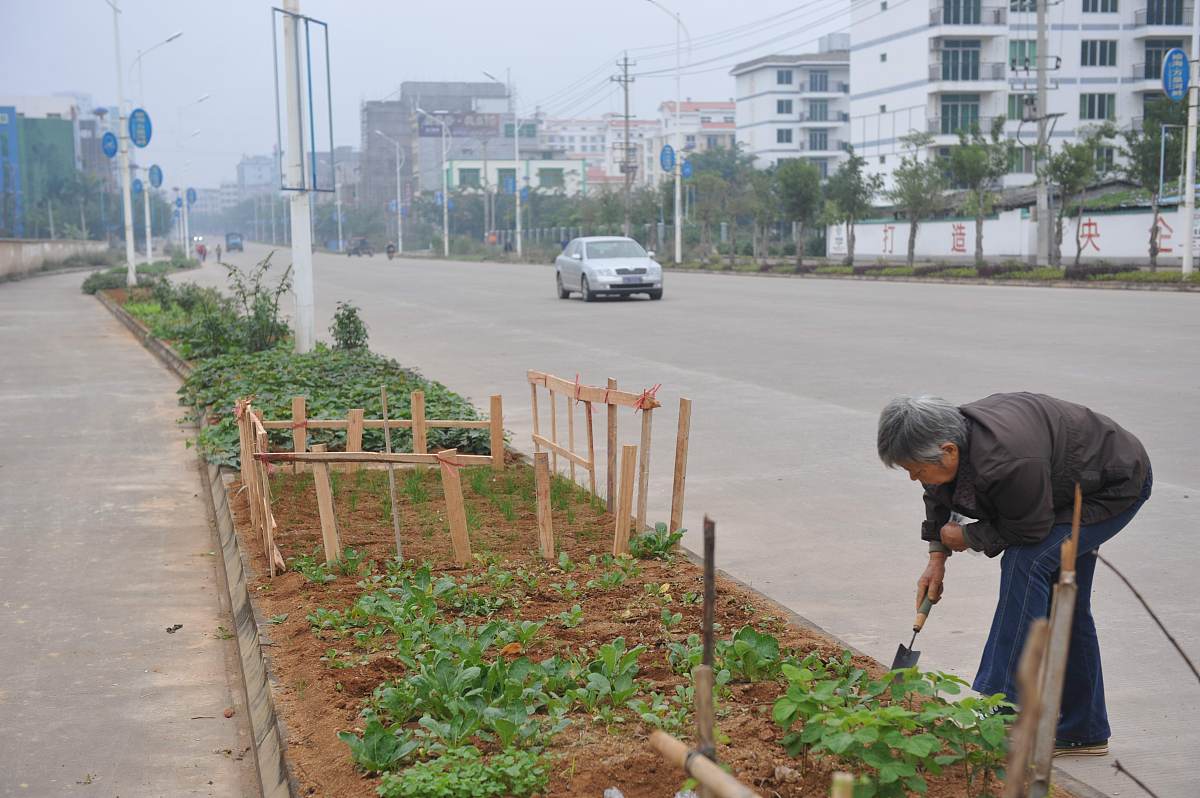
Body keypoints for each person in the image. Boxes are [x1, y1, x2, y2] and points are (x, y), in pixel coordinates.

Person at [876, 393, 1151, 758]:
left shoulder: (1006, 458)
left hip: (1110, 486)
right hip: (1055, 484)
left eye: (915, 468)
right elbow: (937, 492)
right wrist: (936, 557)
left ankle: (1003, 705)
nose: (913, 477)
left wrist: (969, 536)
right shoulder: (949, 442)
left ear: (949, 451)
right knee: (1062, 601)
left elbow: (1030, 529)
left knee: (1027, 561)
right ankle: (1085, 730)